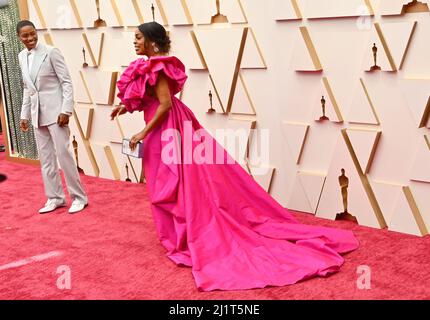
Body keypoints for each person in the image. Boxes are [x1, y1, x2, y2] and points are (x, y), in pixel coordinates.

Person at [111, 22, 359, 292]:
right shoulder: (150, 66)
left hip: (167, 127)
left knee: (175, 184)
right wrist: (125, 108)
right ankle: (181, 233)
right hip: (166, 125)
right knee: (173, 184)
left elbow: (166, 103)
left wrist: (141, 133)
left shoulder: (158, 67)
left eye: (138, 37)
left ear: (152, 41)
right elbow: (154, 99)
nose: (134, 41)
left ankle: (187, 235)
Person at [17, 20, 88, 214]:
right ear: (19, 37)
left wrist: (66, 110)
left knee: (64, 156)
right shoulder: (22, 56)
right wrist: (24, 115)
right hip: (36, 114)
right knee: (46, 159)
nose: (30, 38)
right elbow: (27, 88)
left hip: (57, 114)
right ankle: (55, 197)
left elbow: (66, 82)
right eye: (25, 36)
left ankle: (79, 197)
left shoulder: (51, 52)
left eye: (32, 33)